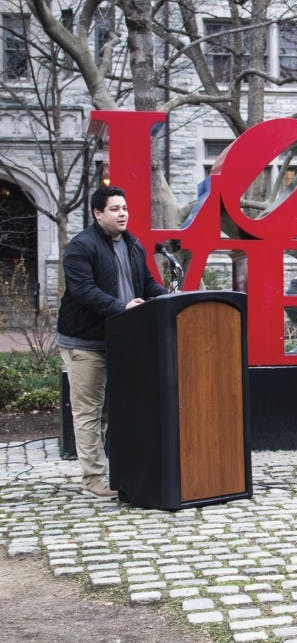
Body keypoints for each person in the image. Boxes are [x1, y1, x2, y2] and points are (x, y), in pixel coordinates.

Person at [56, 185, 167, 498]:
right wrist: (122, 307)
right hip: (85, 342)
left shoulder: (133, 245)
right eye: (115, 209)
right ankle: (93, 480)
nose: (123, 214)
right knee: (88, 412)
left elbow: (146, 283)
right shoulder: (81, 247)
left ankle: (121, 472)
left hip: (122, 340)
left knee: (116, 410)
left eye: (125, 208)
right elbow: (84, 290)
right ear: (97, 213)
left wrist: (169, 299)